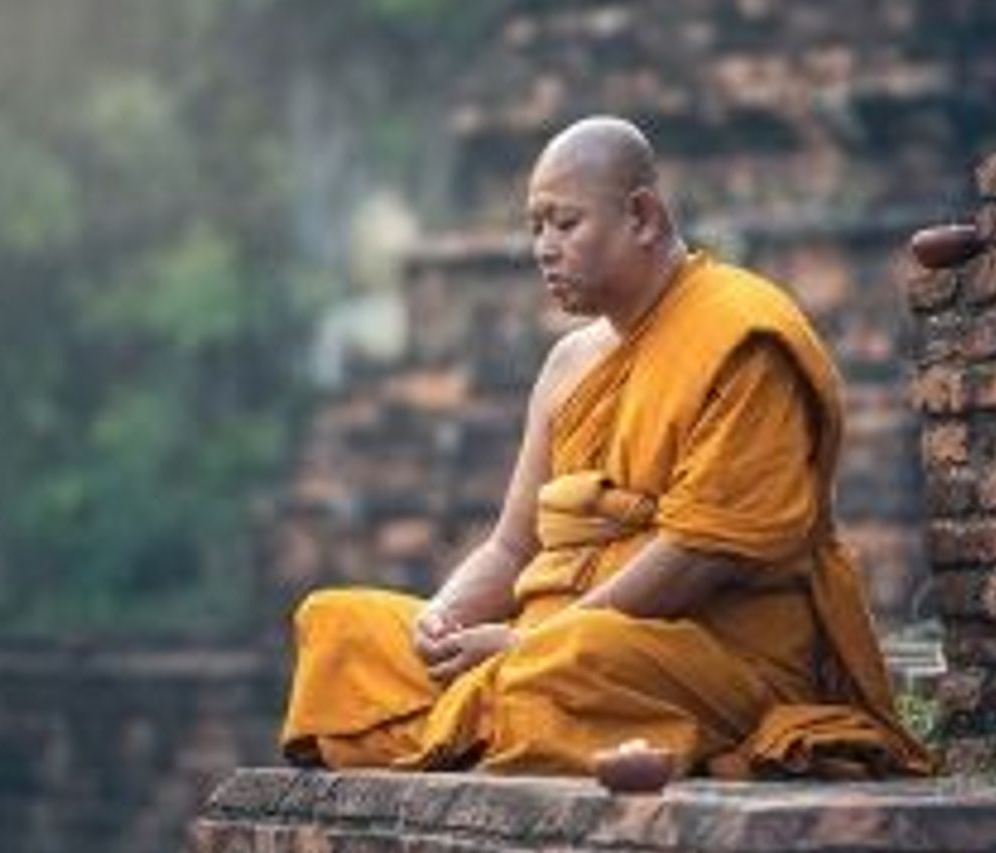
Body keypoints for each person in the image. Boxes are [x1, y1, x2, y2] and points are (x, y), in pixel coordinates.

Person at [279, 116, 934, 779]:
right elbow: (512, 545)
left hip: (701, 651)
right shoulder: (569, 363)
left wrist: (528, 642)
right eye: (535, 227)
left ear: (643, 217)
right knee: (338, 624)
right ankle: (484, 712)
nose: (543, 247)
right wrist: (442, 620)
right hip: (548, 638)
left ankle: (477, 714)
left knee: (572, 662)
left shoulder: (742, 335)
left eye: (565, 224)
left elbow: (701, 553)